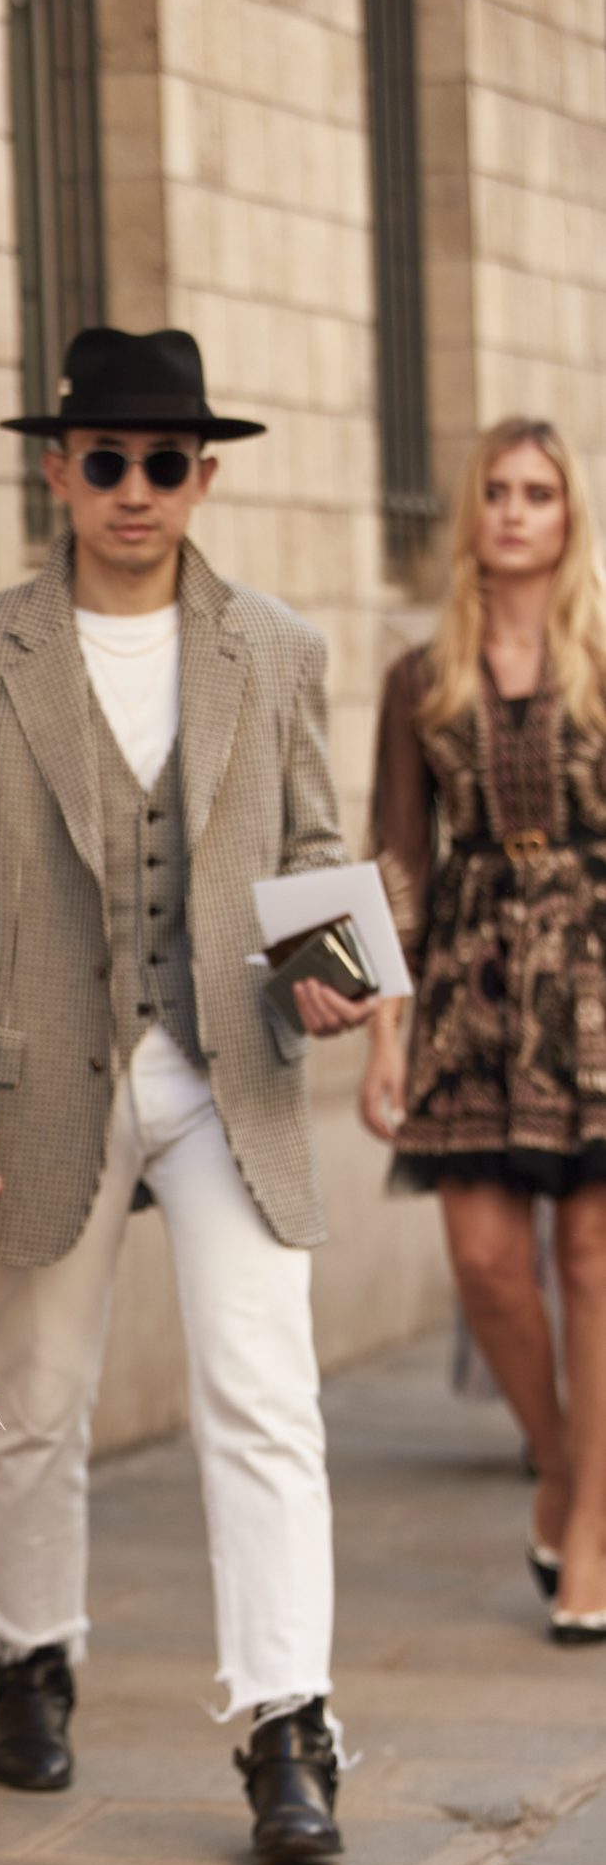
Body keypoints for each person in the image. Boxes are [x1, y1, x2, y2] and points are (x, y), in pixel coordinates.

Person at [0, 327, 372, 1865]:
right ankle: (29, 1654)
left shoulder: (277, 649)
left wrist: (331, 969)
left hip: (228, 1059)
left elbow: (310, 853)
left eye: (165, 463)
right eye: (106, 460)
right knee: (34, 1390)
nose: (135, 489)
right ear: (56, 469)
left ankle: (286, 1728)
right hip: (42, 1069)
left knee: (263, 1393)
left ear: (202, 475)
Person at [360, 415, 606, 1646]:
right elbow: (396, 860)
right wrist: (386, 1035)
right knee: (489, 1264)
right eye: (498, 492)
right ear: (474, 515)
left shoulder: (604, 658)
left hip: (598, 970)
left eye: (541, 494)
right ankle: (561, 1462)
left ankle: (593, 1528)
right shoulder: (422, 674)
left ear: (569, 518)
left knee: (592, 1264)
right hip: (468, 981)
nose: (515, 511)